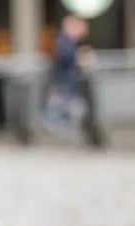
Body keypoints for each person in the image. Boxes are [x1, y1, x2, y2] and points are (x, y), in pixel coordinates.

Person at [44, 14, 103, 146]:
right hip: (67, 86)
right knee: (73, 114)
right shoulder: (65, 42)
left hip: (71, 86)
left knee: (79, 114)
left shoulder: (70, 43)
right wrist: (80, 56)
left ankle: (88, 139)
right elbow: (66, 60)